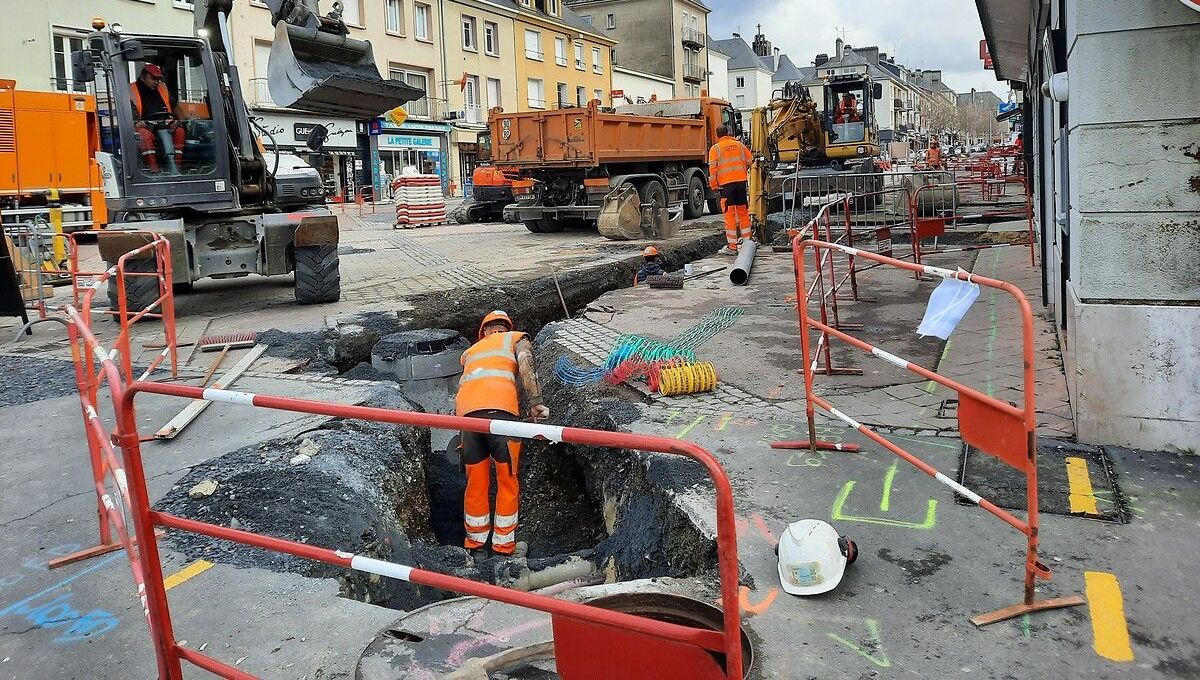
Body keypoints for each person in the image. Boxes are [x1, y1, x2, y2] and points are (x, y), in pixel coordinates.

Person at [456, 310, 549, 559]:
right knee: (507, 481)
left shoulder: (470, 352)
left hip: (468, 420)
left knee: (476, 483)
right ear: (506, 328)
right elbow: (526, 365)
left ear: (484, 331)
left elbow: (469, 385)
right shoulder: (515, 338)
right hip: (502, 417)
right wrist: (536, 402)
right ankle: (503, 548)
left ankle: (475, 547)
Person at [707, 125, 754, 254]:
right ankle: (747, 242)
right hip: (740, 184)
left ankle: (732, 246)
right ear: (728, 133)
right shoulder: (739, 145)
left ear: (717, 135)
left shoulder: (715, 149)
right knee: (743, 212)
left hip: (726, 186)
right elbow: (750, 160)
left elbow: (712, 170)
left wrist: (714, 186)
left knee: (729, 215)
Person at [131, 64, 185, 173]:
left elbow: (176, 107)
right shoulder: (131, 90)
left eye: (159, 79)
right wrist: (138, 123)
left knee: (180, 132)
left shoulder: (162, 89)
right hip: (144, 127)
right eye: (153, 79)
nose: (156, 82)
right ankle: (153, 169)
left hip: (165, 124)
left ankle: (176, 167)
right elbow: (132, 119)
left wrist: (180, 122)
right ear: (143, 76)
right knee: (144, 136)